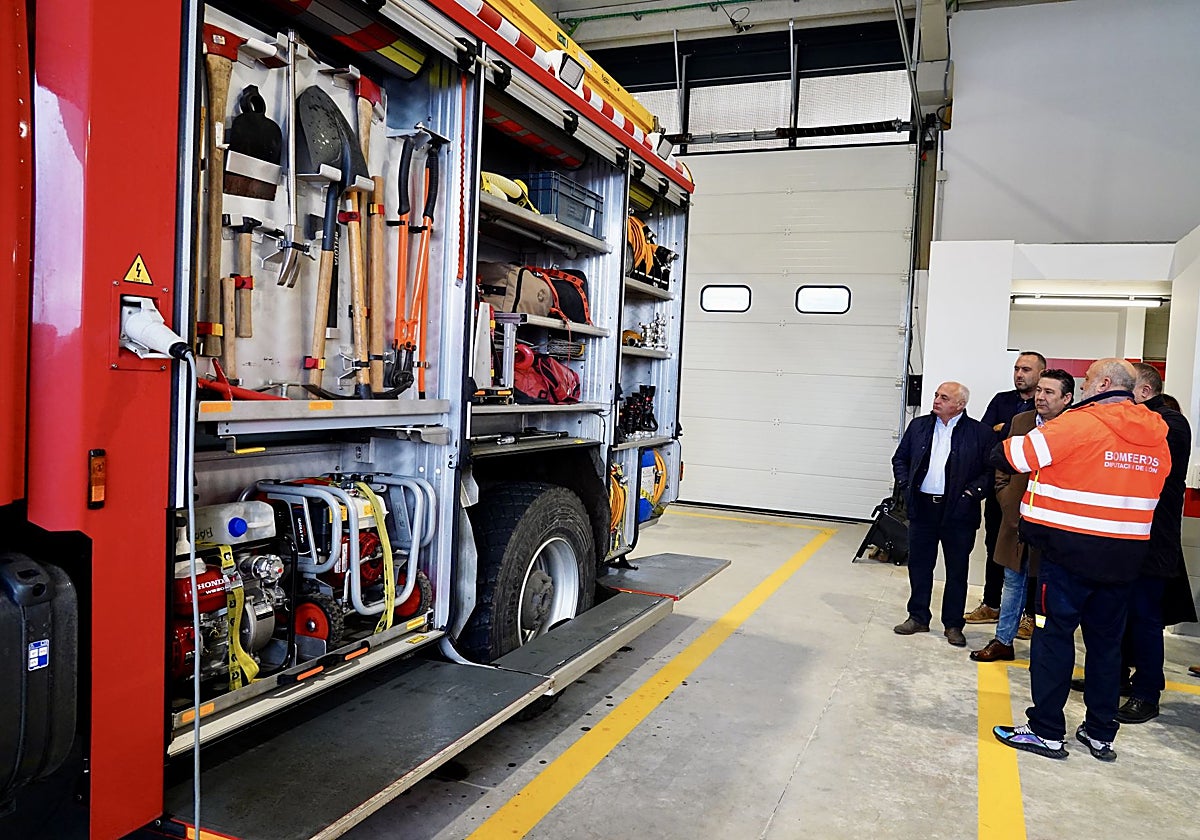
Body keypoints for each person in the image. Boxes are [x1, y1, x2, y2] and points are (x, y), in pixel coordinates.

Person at [991, 359, 1170, 762]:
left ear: (1104, 383)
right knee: (1106, 647)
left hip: (1068, 555)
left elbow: (1011, 456)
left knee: (1053, 639)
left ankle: (1047, 732)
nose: (1083, 387)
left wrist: (1004, 435)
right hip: (1124, 559)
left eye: (1087, 380)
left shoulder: (1078, 423)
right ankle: (1101, 733)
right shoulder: (1156, 434)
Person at [970, 369, 1074, 662]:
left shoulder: (1074, 427)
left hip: (1054, 524)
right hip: (1016, 519)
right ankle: (1003, 640)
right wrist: (1006, 499)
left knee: (1047, 589)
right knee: (1012, 580)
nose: (1040, 397)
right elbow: (1003, 464)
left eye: (1049, 392)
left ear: (1066, 398)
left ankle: (1045, 651)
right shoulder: (1021, 421)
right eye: (1039, 390)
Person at [1115, 364, 1196, 723]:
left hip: (1153, 540)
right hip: (1126, 535)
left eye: (1126, 390)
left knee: (1146, 618)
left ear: (1144, 392)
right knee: (1117, 613)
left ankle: (1147, 692)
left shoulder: (1171, 423)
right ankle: (1117, 677)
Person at [891, 382, 994, 647]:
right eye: (937, 395)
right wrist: (906, 485)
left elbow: (990, 471)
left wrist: (970, 494)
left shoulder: (980, 433)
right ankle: (918, 617)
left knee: (957, 570)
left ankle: (953, 624)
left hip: (959, 512)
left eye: (944, 397)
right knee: (919, 565)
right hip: (923, 508)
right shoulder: (919, 426)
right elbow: (900, 459)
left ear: (960, 405)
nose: (936, 400)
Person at [965, 352, 1047, 625]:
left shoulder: (1046, 408)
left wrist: (1005, 430)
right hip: (1002, 491)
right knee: (995, 548)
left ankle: (1029, 614)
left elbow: (1023, 440)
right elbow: (986, 436)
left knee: (1032, 556)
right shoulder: (1002, 400)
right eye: (1016, 368)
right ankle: (991, 603)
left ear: (1041, 373)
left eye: (1026, 369)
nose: (1019, 374)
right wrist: (1006, 432)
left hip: (1034, 494)